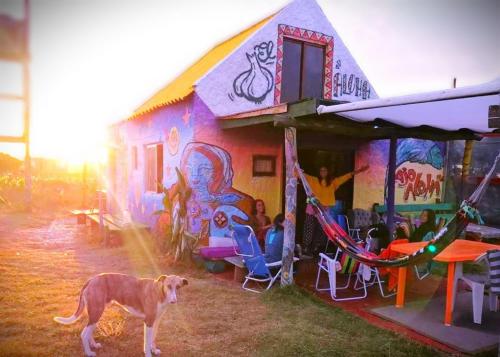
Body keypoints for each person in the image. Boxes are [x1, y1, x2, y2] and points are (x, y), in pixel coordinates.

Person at [301, 164, 369, 255]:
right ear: (318, 172)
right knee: (309, 228)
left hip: (324, 210)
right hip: (312, 208)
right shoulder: (313, 180)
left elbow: (346, 177)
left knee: (321, 230)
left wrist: (359, 170)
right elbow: (301, 175)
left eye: (325, 170)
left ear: (328, 172)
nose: (323, 172)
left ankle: (315, 248)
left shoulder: (333, 182)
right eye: (321, 170)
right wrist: (296, 167)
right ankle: (305, 248)